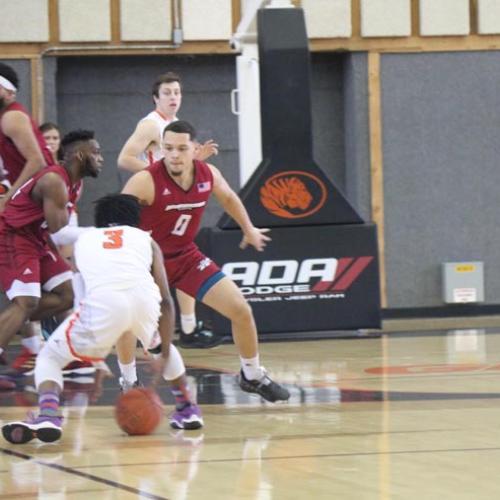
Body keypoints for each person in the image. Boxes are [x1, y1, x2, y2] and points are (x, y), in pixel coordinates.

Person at [1, 194, 203, 444]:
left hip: (103, 305)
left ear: (100, 221)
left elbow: (79, 298)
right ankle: (187, 407)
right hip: (145, 301)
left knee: (50, 357)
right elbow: (166, 300)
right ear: (135, 220)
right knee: (162, 345)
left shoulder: (84, 240)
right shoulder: (146, 240)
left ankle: (49, 414)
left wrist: (90, 348)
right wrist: (161, 351)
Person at [120, 120, 290, 403]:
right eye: (168, 148)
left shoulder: (207, 174)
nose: (173, 154)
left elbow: (228, 197)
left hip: (186, 256)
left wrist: (248, 228)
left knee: (241, 309)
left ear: (195, 149)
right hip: (147, 263)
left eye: (181, 148)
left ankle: (252, 374)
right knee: (125, 321)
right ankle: (128, 381)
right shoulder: (145, 180)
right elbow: (116, 216)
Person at [118, 72, 219, 350]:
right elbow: (125, 158)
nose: (173, 97)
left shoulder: (175, 125)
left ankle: (186, 326)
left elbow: (177, 164)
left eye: (177, 92)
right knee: (149, 269)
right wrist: (157, 177)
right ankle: (140, 328)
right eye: (167, 93)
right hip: (154, 204)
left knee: (184, 259)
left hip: (174, 204)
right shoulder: (151, 125)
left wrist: (196, 160)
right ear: (156, 98)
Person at [0, 129, 102, 365]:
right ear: (78, 155)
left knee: (69, 294)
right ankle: (14, 320)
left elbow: (56, 230)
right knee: (27, 302)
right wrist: (100, 233)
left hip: (37, 238)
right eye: (95, 152)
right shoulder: (54, 180)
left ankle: (11, 320)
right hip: (12, 235)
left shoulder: (77, 184)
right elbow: (61, 231)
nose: (101, 157)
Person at [0, 63, 57, 369]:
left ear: (7, 90)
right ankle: (30, 345)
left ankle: (50, 349)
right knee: (26, 301)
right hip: (21, 221)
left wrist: (8, 197)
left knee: (65, 293)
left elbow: (35, 160)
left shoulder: (12, 117)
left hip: (31, 216)